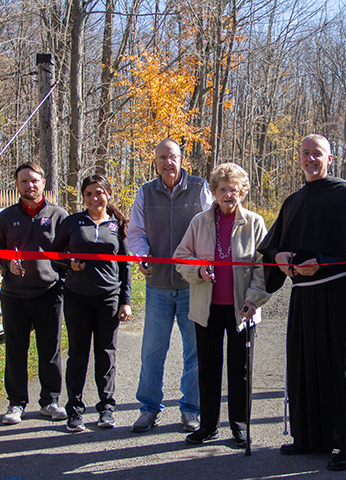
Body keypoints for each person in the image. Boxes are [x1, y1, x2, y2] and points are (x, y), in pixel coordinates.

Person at [257, 134, 346, 471]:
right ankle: (308, 436)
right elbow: (270, 248)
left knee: (341, 367)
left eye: (317, 154)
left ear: (331, 158)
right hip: (304, 298)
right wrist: (279, 255)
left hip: (338, 295)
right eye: (305, 153)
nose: (311, 159)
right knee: (305, 364)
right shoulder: (293, 201)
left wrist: (324, 261)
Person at [173, 163, 271, 448]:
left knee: (239, 370)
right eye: (223, 189)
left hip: (243, 308)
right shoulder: (199, 222)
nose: (229, 194)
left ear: (242, 192)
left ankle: (240, 426)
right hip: (207, 307)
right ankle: (208, 426)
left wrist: (254, 299)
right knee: (208, 367)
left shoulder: (254, 222)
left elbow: (262, 267)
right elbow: (182, 257)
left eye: (234, 189)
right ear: (214, 192)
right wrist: (199, 271)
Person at [127, 139, 215, 433]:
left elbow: (211, 227)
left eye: (173, 157)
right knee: (152, 350)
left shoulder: (200, 187)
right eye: (162, 157)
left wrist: (204, 263)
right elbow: (136, 233)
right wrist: (141, 256)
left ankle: (191, 408)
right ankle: (149, 408)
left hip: (193, 285)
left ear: (181, 159)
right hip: (159, 285)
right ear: (155, 161)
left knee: (195, 351)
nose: (168, 162)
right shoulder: (145, 192)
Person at [0, 162, 68, 425]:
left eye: (34, 180)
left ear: (43, 182)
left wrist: (63, 275)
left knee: (50, 350)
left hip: (49, 293)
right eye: (24, 181)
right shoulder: (5, 216)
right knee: (15, 350)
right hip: (14, 295)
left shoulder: (59, 215)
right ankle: (16, 403)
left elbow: (69, 252)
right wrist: (6, 263)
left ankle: (50, 401)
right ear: (17, 185)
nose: (29, 185)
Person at [52, 174, 132, 432]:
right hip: (77, 297)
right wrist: (68, 263)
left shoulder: (117, 225)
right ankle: (74, 410)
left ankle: (106, 408)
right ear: (83, 197)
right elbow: (55, 255)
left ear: (108, 194)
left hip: (108, 297)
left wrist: (125, 301)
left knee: (106, 354)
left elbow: (125, 266)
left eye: (99, 193)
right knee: (77, 354)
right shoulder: (72, 222)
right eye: (88, 194)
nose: (94, 198)